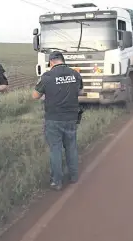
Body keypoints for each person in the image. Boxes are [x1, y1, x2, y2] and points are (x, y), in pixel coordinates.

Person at [32, 51, 83, 191]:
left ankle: (57, 181)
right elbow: (79, 91)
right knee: (71, 147)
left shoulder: (47, 76)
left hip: (54, 118)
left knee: (55, 149)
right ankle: (73, 176)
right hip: (71, 117)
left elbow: (35, 95)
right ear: (63, 60)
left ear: (51, 62)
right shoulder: (75, 74)